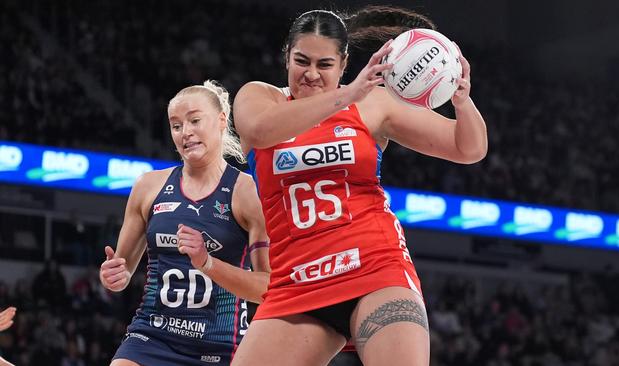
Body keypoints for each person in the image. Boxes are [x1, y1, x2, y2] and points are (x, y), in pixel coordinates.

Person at [232, 6, 487, 366]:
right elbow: (259, 131)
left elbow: (469, 148)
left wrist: (462, 100)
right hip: (297, 281)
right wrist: (346, 95)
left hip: (375, 268)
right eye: (302, 61)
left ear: (344, 63)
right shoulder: (260, 97)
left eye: (325, 65)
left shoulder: (372, 102)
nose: (311, 74)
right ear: (286, 56)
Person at [99, 81, 271, 365]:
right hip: (151, 336)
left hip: (218, 345)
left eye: (194, 121)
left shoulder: (248, 192)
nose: (185, 132)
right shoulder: (148, 186)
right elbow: (123, 271)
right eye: (176, 125)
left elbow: (268, 288)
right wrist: (113, 276)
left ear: (220, 121)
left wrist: (208, 263)